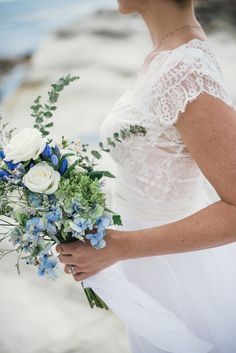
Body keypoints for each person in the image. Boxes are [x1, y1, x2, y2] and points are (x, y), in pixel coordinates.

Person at [56, 0, 236, 352]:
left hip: (177, 275)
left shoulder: (186, 72)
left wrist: (119, 247)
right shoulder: (166, 55)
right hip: (149, 266)